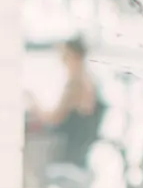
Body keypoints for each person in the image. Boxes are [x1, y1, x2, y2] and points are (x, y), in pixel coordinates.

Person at [26, 36, 107, 169]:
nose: (62, 60)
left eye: (65, 55)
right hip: (81, 156)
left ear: (76, 57)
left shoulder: (75, 85)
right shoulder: (90, 82)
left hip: (68, 158)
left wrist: (33, 101)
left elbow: (54, 118)